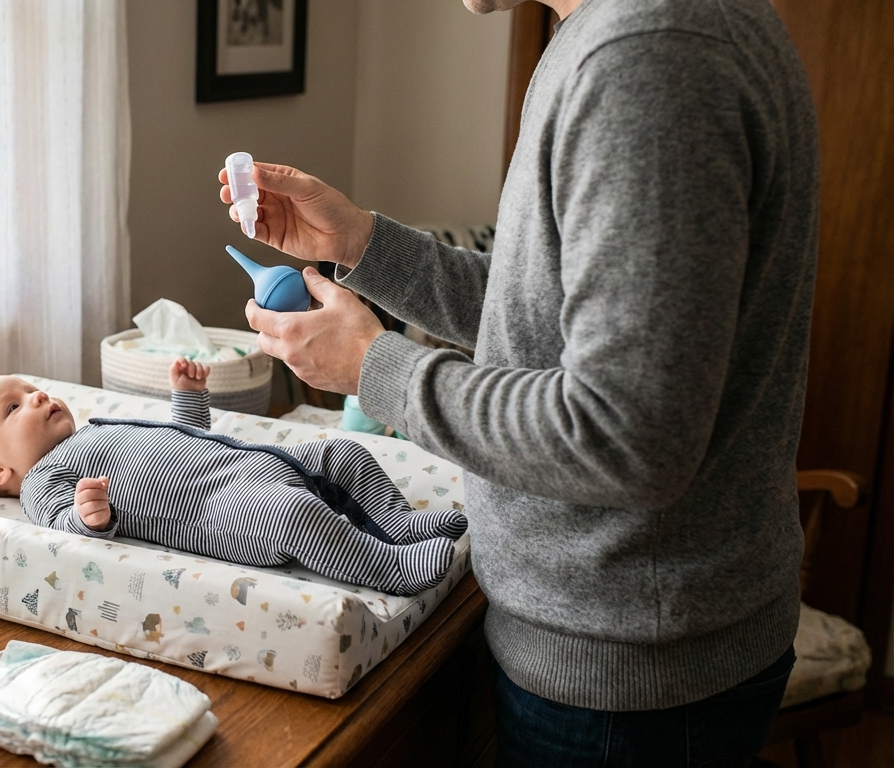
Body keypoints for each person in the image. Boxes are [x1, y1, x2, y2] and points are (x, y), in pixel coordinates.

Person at [222, 0, 818, 763]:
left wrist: (376, 369)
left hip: (629, 680)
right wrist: (365, 244)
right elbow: (548, 317)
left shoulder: (645, 56)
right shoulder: (620, 33)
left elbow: (622, 434)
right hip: (638, 642)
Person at [0, 359, 467, 595]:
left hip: (251, 462)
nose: (37, 396)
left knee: (343, 452)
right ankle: (388, 566)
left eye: (29, 388)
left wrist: (188, 401)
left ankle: (394, 522)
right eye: (13, 407)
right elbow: (59, 522)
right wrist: (85, 515)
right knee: (295, 515)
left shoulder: (95, 427)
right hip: (227, 509)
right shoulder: (42, 479)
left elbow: (183, 440)